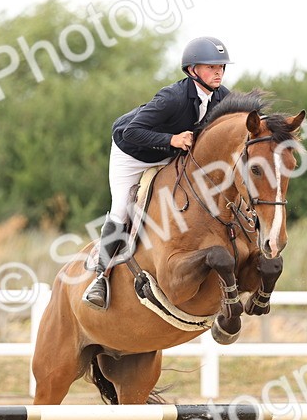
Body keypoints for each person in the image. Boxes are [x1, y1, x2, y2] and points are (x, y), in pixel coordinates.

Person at [82, 36, 233, 310]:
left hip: (171, 155)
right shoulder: (172, 97)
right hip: (132, 153)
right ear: (192, 70)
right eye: (211, 67)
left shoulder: (222, 97)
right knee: (121, 209)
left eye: (221, 66)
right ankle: (100, 277)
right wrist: (172, 140)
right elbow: (131, 131)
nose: (218, 71)